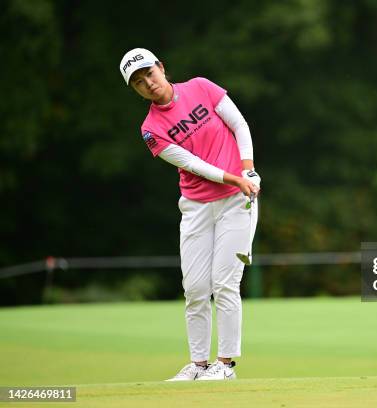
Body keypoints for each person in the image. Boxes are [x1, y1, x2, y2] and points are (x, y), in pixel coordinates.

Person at [119, 48, 260, 381]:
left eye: (149, 74)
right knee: (195, 288)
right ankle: (198, 365)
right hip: (196, 207)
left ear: (161, 68)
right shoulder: (150, 129)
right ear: (135, 90)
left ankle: (224, 365)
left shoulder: (201, 87)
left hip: (235, 202)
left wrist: (247, 170)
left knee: (224, 283)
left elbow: (239, 125)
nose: (148, 83)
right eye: (138, 83)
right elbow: (193, 165)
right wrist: (235, 177)